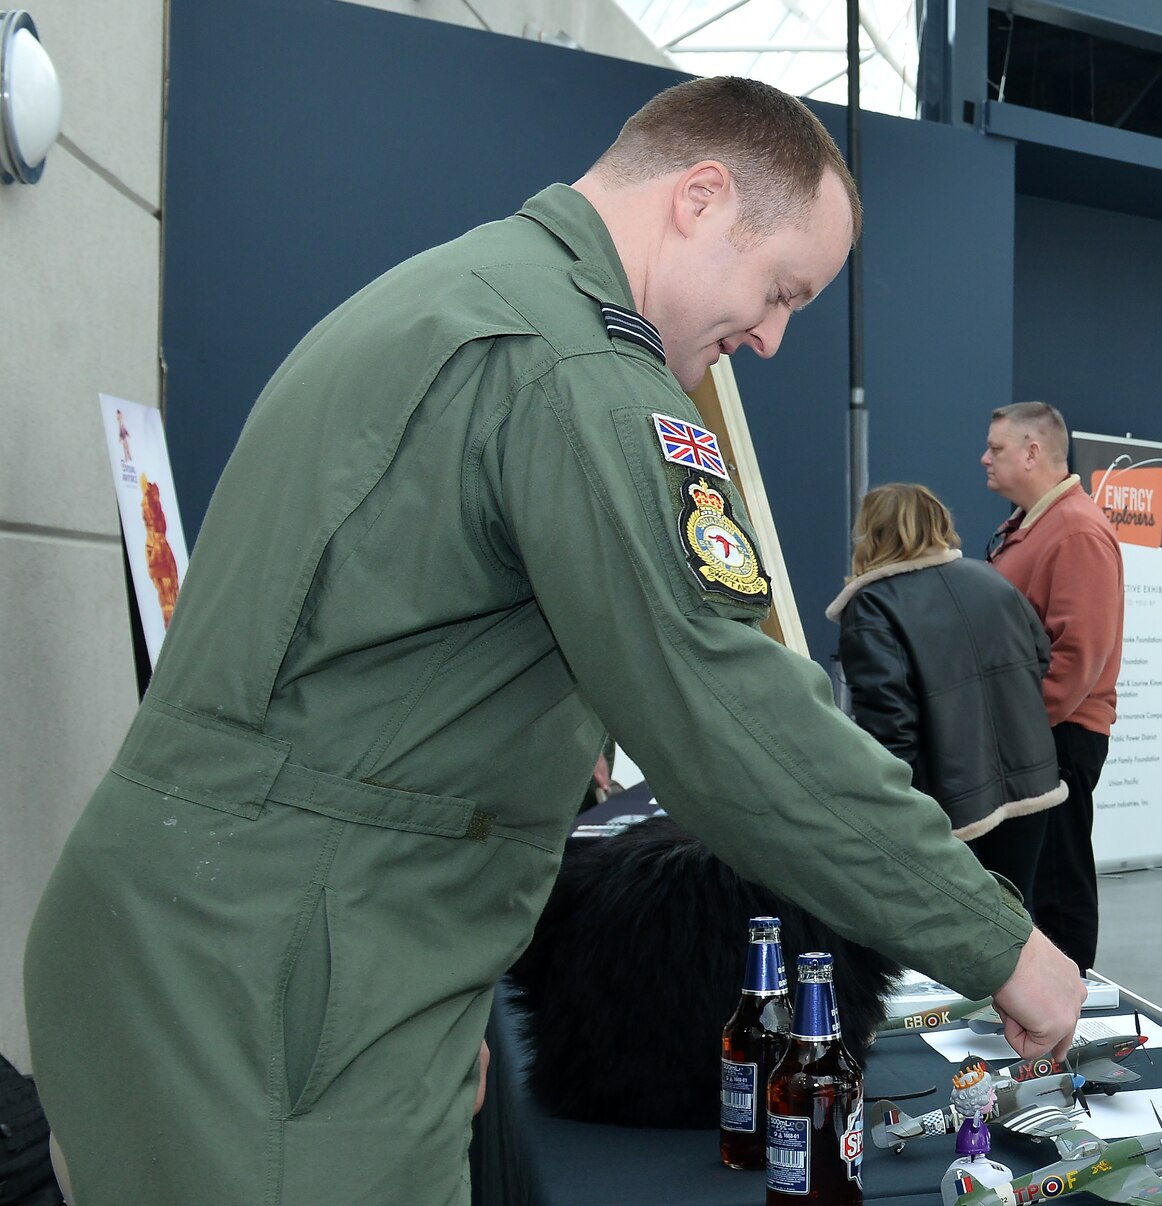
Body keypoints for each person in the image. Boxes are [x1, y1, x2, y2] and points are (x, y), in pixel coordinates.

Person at [23, 77, 1083, 1206]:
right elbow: (730, 715)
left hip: (241, 953)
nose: (771, 338)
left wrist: (420, 1001)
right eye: (780, 289)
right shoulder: (576, 367)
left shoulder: (462, 295)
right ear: (700, 197)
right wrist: (1001, 945)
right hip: (275, 987)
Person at [828, 482, 1069, 896]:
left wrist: (888, 808)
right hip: (1031, 783)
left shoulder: (872, 604)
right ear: (939, 521)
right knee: (1015, 919)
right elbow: (1040, 658)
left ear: (872, 533)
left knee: (947, 930)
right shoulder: (991, 580)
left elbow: (889, 723)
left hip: (947, 804)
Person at [984, 401, 1124, 973]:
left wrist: (1014, 730)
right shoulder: (1031, 527)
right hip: (1032, 738)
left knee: (1058, 883)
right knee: (1033, 882)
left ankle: (1071, 1008)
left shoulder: (1077, 532)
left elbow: (1075, 659)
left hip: (1056, 739)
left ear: (1032, 451)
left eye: (996, 448)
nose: (985, 458)